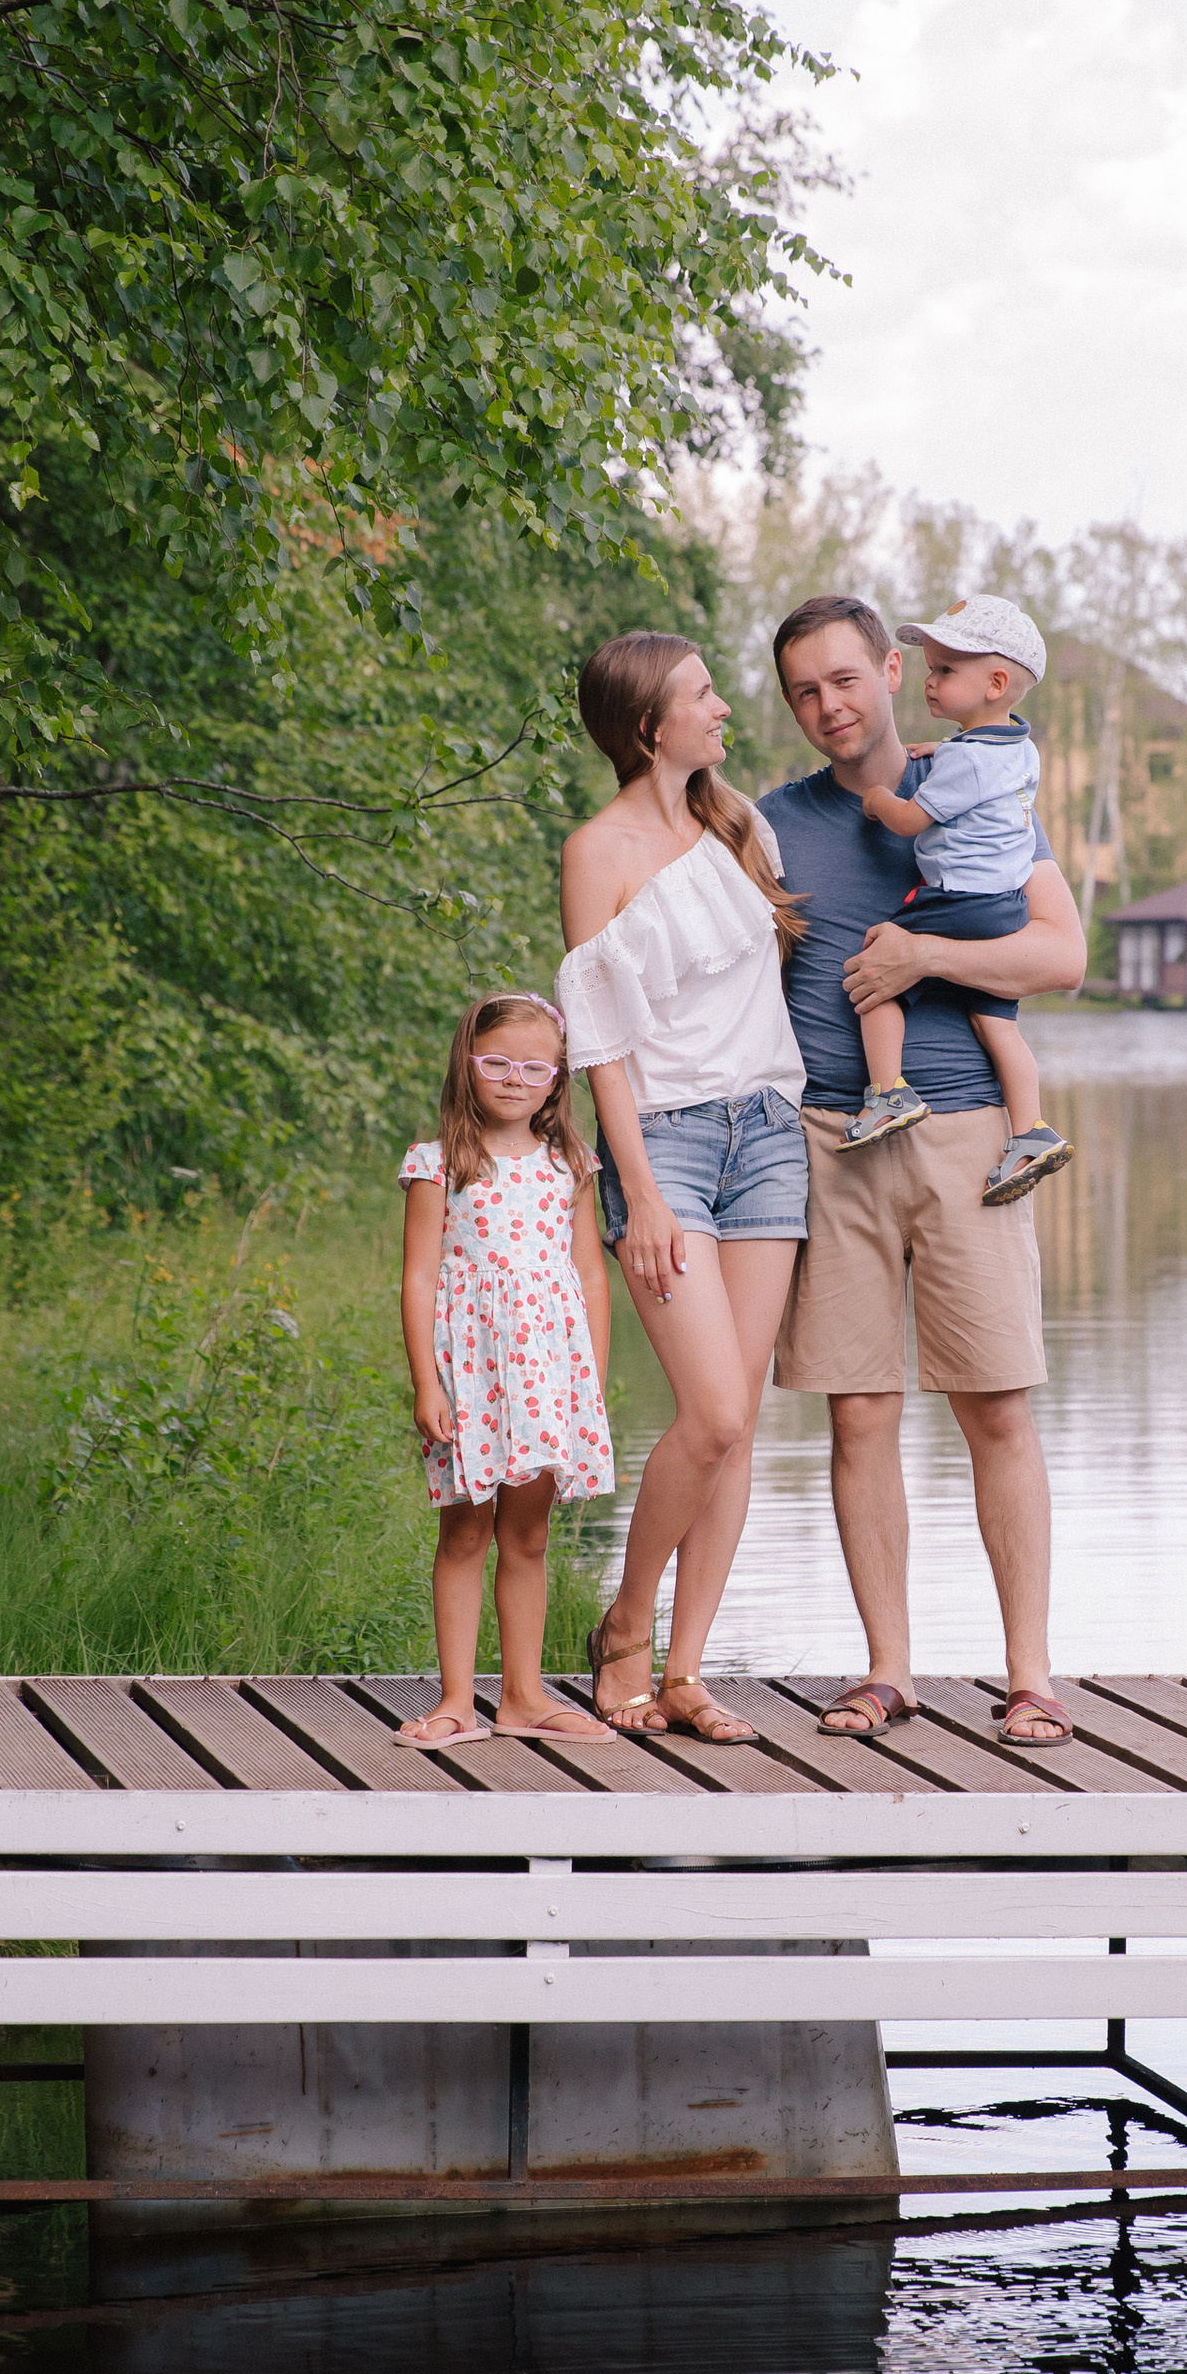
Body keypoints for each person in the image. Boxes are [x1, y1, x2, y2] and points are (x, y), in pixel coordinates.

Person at [758, 592, 1088, 1751]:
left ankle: (1030, 1677)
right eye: (803, 690)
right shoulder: (769, 826)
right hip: (832, 1141)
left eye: (844, 679)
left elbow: (1062, 952)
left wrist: (919, 956)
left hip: (965, 1133)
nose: (827, 706)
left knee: (996, 1405)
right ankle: (887, 1671)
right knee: (859, 1412)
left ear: (893, 672)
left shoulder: (980, 788)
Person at [557, 629, 811, 1744]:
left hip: (768, 1129)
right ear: (647, 725)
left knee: (739, 1421)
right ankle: (624, 1626)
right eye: (702, 696)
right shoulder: (595, 851)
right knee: (706, 1412)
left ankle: (688, 1671)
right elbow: (599, 1039)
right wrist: (641, 1192)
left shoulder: (735, 821)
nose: (722, 710)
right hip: (664, 1142)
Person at [395, 990, 615, 1750]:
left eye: (534, 1067)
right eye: (496, 1062)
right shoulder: (439, 1163)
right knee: (465, 1534)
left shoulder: (571, 1166)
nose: (514, 1079)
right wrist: (428, 1380)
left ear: (557, 1080)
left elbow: (589, 1276)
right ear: (468, 1063)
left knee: (528, 1536)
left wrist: (590, 1388)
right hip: (472, 1374)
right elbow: (420, 1278)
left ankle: (521, 1697)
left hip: (550, 1379)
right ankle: (458, 1699)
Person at [845, 589, 1071, 1209]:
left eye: (946, 670)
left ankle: (888, 1091)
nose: (930, 682)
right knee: (996, 1023)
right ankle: (1030, 1131)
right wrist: (942, 751)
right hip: (1003, 905)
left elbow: (913, 821)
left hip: (956, 898)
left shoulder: (965, 762)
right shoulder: (1019, 749)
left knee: (877, 970)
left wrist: (877, 800)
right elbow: (978, 766)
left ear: (995, 681)